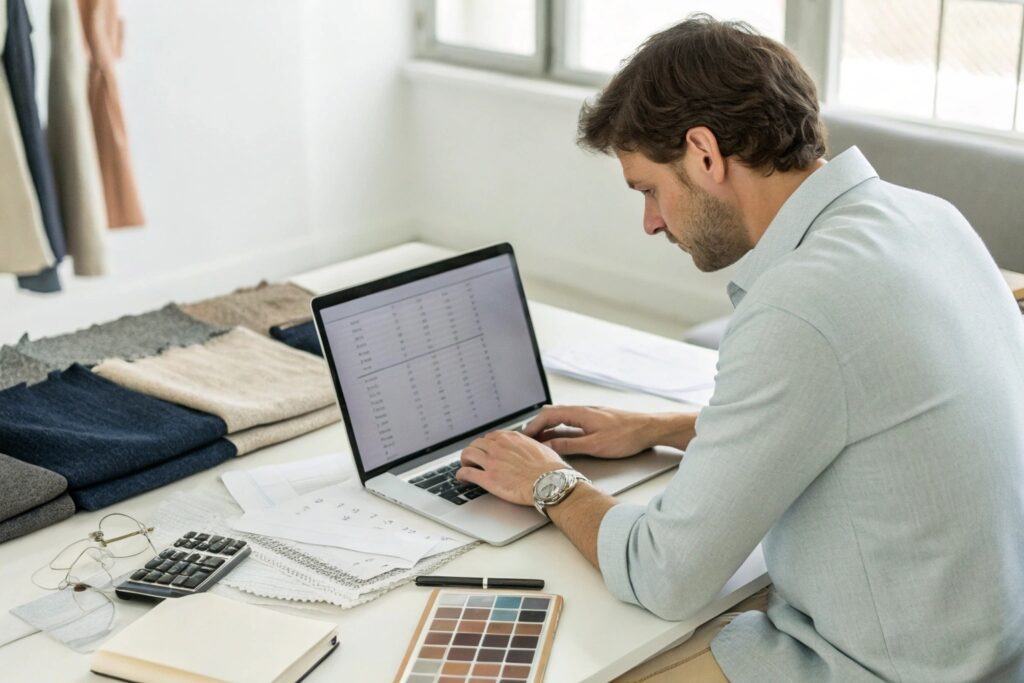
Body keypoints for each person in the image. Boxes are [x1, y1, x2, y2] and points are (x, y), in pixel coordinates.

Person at [454, 14, 1024, 683]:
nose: (651, 222)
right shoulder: (929, 218)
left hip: (889, 669)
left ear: (703, 152)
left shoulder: (801, 302)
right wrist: (663, 427)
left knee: (584, 655)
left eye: (648, 189)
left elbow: (665, 571)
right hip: (994, 648)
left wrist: (550, 483)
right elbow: (868, 413)